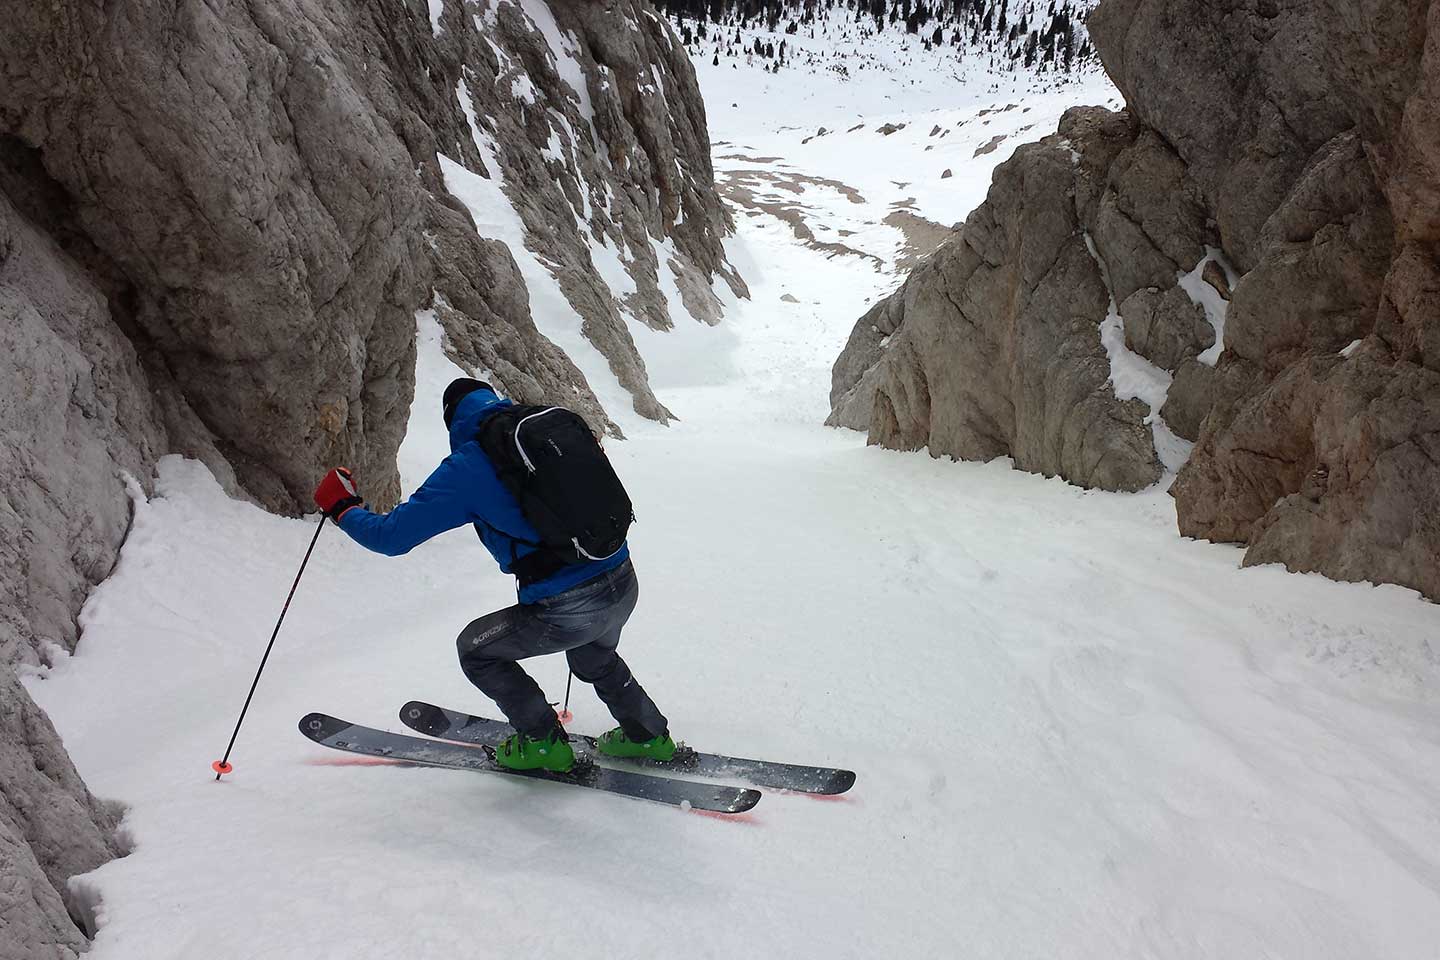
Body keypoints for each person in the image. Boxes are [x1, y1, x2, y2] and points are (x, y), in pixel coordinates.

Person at [311, 377, 673, 773]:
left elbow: (392, 537)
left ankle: (541, 743)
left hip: (568, 606)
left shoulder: (470, 465)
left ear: (453, 420)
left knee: (476, 650)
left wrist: (342, 506)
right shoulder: (548, 431)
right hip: (622, 580)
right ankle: (650, 736)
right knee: (593, 656)